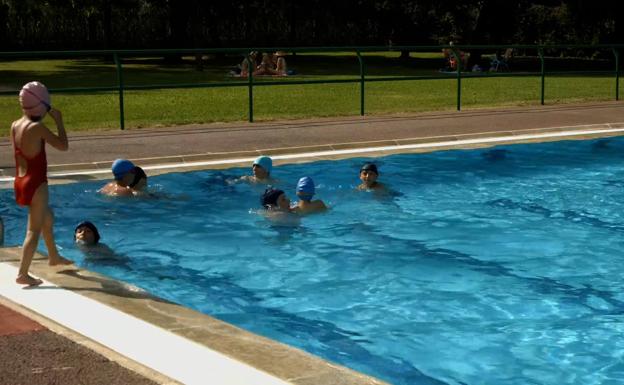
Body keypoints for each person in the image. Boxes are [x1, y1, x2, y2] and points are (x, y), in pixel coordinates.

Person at [11, 81, 73, 286]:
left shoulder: (16, 125)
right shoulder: (37, 128)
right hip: (36, 183)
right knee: (33, 230)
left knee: (48, 217)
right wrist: (60, 122)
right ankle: (23, 273)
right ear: (43, 105)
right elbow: (63, 146)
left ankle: (53, 257)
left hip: (21, 179)